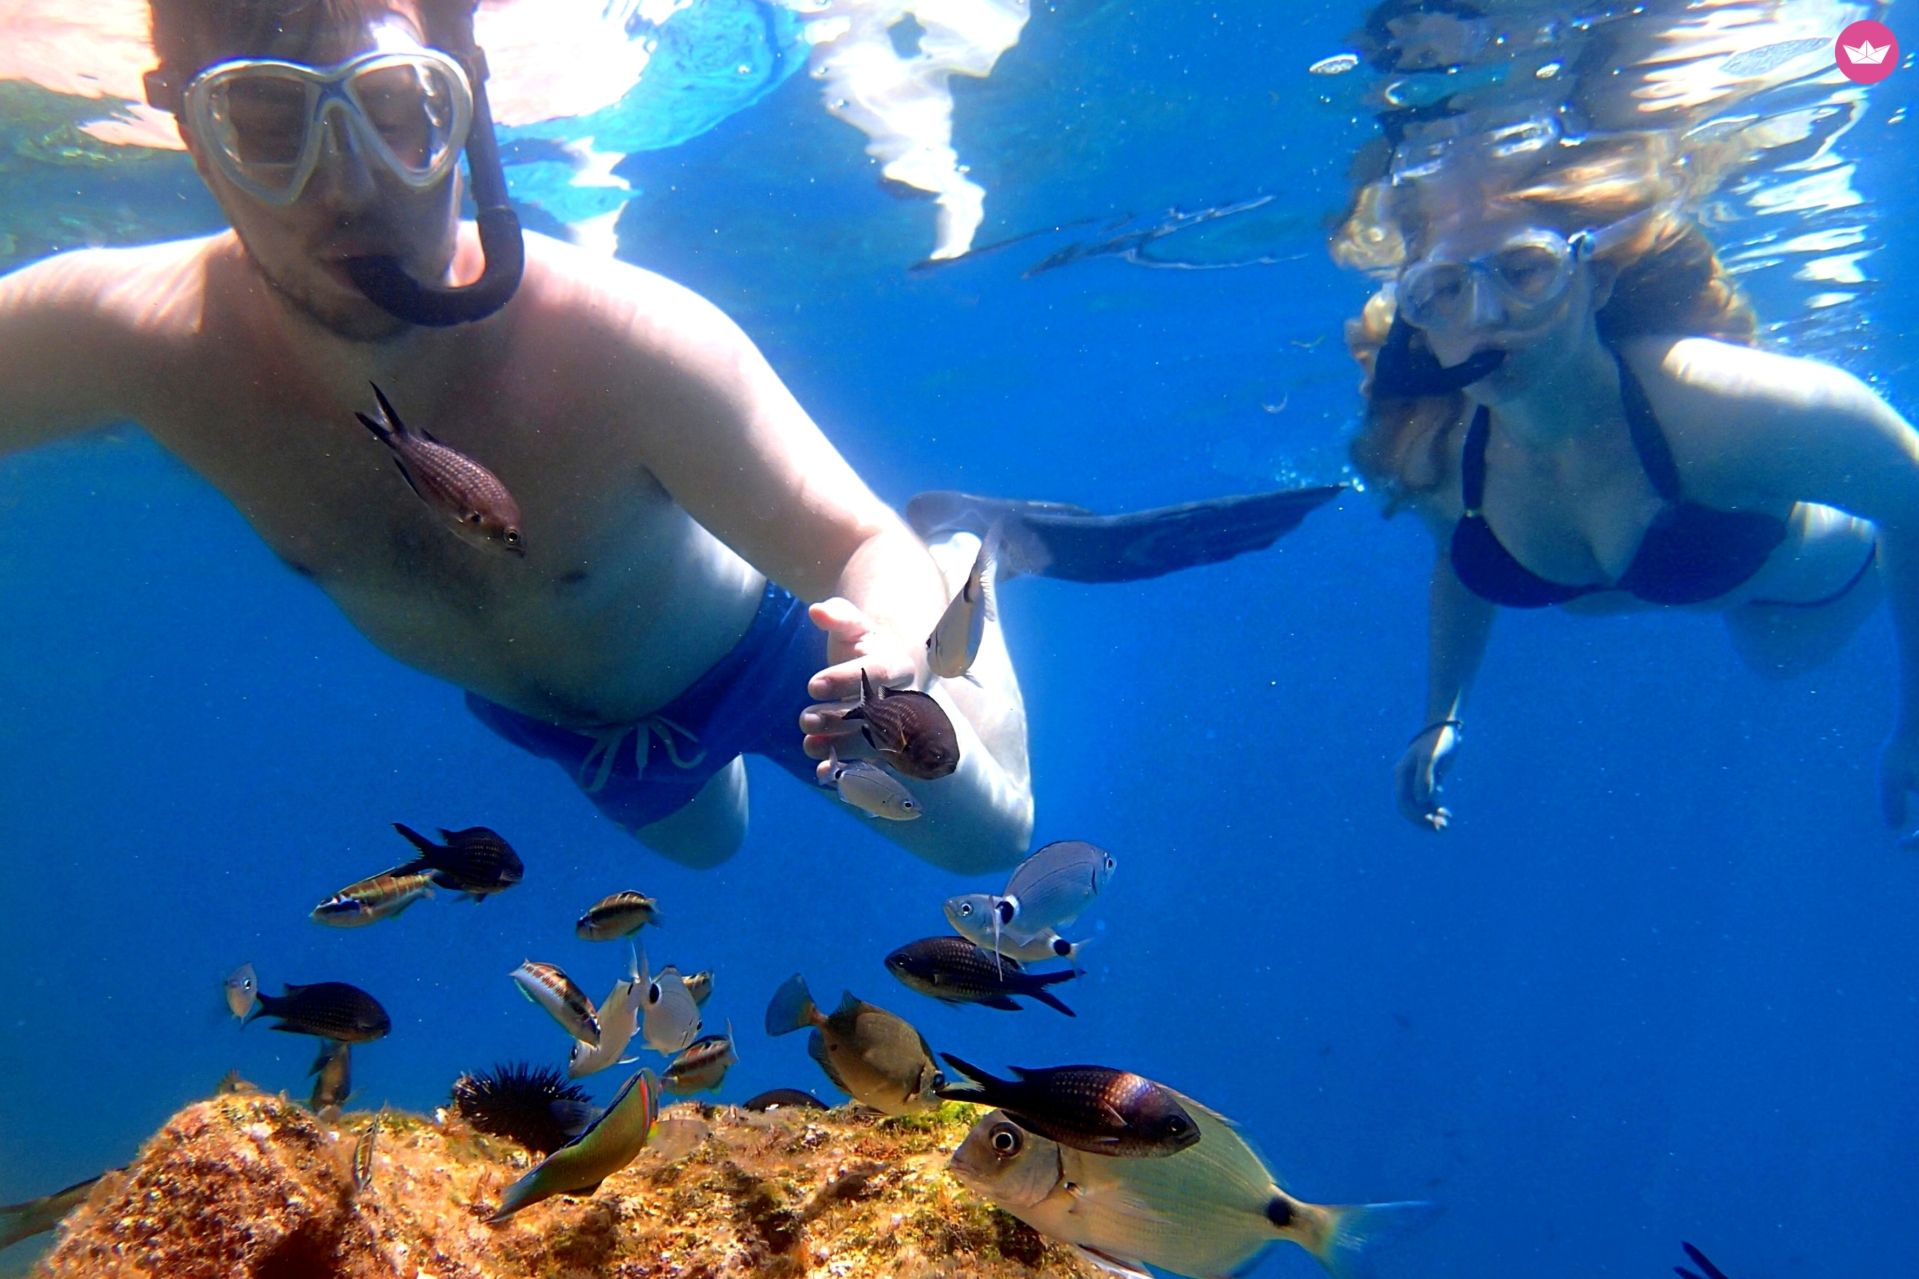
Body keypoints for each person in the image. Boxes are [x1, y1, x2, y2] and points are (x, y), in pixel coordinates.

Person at [0, 0, 1336, 873]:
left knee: (982, 836)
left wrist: (882, 641)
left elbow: (845, 544)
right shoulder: (127, 333)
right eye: (268, 122)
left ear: (465, 101)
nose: (347, 185)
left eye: (398, 111)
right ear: (181, 116)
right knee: (704, 856)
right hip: (561, 727)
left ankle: (968, 550)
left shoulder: (621, 337)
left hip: (768, 659)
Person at [1338, 148, 1919, 834]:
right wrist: (1441, 710)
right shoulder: (1435, 453)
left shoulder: (1732, 407)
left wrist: (1912, 732)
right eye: (1441, 290)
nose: (1484, 316)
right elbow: (1457, 559)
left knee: (1775, 659)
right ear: (1419, 325)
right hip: (1714, 577)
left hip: (1811, 596)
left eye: (1523, 270)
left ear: (1596, 279)